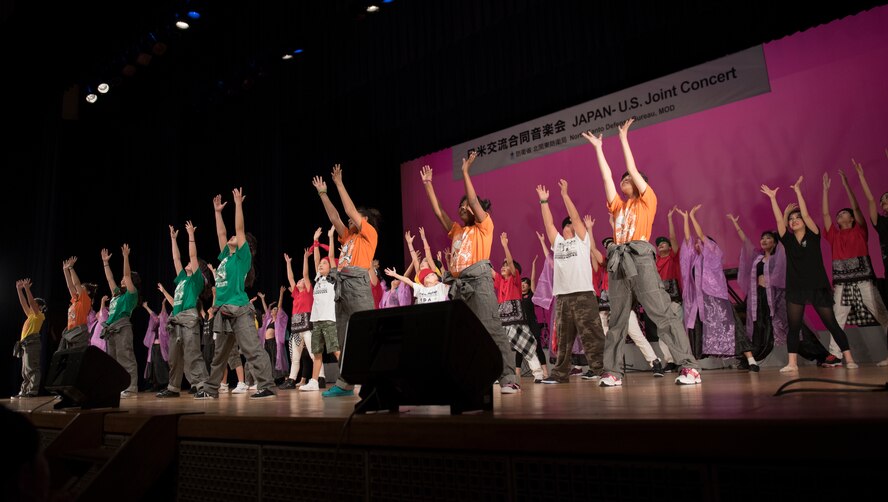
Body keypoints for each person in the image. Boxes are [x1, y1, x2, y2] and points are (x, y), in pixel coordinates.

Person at [582, 119, 701, 386]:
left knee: (661, 313)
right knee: (617, 320)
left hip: (641, 258)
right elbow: (605, 178)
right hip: (618, 261)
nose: (624, 179)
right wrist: (599, 148)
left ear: (640, 184)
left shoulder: (647, 200)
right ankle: (612, 372)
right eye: (623, 178)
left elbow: (633, 169)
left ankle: (689, 367)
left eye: (629, 178)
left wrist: (623, 139)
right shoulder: (618, 207)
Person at [420, 155, 520, 394]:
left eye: (467, 205)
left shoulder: (485, 226)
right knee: (462, 335)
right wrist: (428, 184)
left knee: (491, 328)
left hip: (479, 282)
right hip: (458, 285)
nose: (463, 207)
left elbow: (474, 200)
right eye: (460, 206)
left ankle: (508, 378)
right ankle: (470, 378)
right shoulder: (456, 230)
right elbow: (438, 212)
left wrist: (465, 172)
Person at [760, 177, 858, 372]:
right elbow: (780, 220)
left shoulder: (813, 235)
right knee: (794, 327)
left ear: (804, 222)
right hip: (796, 288)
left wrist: (797, 191)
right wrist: (773, 198)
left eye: (798, 219)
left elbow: (805, 212)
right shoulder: (787, 240)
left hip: (817, 286)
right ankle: (792, 364)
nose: (795, 221)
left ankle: (849, 359)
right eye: (792, 220)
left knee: (832, 324)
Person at [199, 189, 276, 399]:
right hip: (223, 312)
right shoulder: (226, 256)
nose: (231, 237)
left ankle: (266, 385)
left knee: (251, 349)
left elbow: (238, 229)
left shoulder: (242, 257)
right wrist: (217, 212)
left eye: (236, 238)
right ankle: (210, 390)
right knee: (219, 355)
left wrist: (238, 204)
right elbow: (222, 234)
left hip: (240, 310)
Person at [313, 165, 381, 398]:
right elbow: (335, 216)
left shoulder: (368, 234)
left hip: (358, 284)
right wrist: (323, 193)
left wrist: (339, 183)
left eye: (356, 218)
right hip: (341, 288)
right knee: (344, 338)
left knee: (366, 333)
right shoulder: (348, 236)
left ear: (365, 220)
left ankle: (377, 380)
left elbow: (349, 211)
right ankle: (346, 383)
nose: (351, 220)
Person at [534, 180, 606, 384]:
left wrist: (565, 195)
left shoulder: (582, 242)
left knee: (592, 336)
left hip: (583, 294)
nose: (568, 227)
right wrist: (544, 201)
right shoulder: (558, 244)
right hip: (563, 298)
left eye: (571, 225)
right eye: (566, 225)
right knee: (563, 340)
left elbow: (575, 217)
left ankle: (601, 371)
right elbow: (548, 224)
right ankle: (560, 374)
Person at [677, 205, 758, 370]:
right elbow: (687, 239)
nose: (698, 243)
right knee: (696, 331)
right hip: (699, 303)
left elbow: (700, 235)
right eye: (698, 243)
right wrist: (685, 219)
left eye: (703, 242)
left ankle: (751, 360)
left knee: (732, 327)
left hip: (716, 300)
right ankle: (693, 366)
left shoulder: (713, 253)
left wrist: (693, 216)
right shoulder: (694, 259)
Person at [822, 169, 888, 365]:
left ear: (851, 219)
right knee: (838, 317)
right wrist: (825, 190)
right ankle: (836, 354)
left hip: (864, 280)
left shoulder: (860, 230)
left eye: (845, 214)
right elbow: (825, 213)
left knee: (882, 313)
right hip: (842, 283)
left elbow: (858, 208)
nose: (841, 216)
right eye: (839, 214)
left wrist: (848, 186)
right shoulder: (833, 235)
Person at [156, 221, 211, 398]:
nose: (188, 263)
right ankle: (173, 387)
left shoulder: (196, 281)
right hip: (177, 318)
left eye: (192, 264)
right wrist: (173, 239)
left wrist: (190, 236)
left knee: (192, 353)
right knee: (175, 356)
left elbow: (192, 257)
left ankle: (202, 386)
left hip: (188, 318)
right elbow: (176, 259)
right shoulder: (181, 279)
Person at [728, 213, 787, 365]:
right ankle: (753, 357)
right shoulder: (758, 257)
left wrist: (785, 216)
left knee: (774, 326)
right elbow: (746, 242)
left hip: (774, 297)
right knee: (758, 327)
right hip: (758, 296)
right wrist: (736, 224)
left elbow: (781, 272)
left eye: (768, 238)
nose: (764, 240)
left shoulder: (779, 256)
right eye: (762, 238)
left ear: (775, 242)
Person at [854, 157, 888, 366]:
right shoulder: (881, 221)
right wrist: (861, 177)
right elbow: (870, 202)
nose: (884, 201)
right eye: (884, 199)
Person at [101, 244, 141, 397]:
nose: (122, 280)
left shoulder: (131, 294)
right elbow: (110, 278)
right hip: (111, 328)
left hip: (122, 326)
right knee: (113, 361)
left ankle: (131, 387)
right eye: (123, 279)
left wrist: (125, 257)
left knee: (126, 356)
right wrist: (106, 263)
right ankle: (115, 387)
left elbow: (127, 276)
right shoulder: (117, 293)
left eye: (126, 279)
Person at [304, 226, 340, 392]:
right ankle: (313, 381)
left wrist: (330, 237)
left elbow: (331, 256)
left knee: (336, 350)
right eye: (321, 263)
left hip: (329, 319)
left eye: (324, 263)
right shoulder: (318, 277)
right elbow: (316, 259)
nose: (321, 265)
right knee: (317, 352)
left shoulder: (333, 278)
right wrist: (315, 241)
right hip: (316, 319)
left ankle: (352, 377)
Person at [13, 279, 45, 398]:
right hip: (25, 343)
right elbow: (24, 303)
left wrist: (27, 288)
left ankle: (32, 390)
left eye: (35, 305)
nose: (31, 306)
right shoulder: (31, 315)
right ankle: (25, 390)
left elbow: (30, 302)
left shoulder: (39, 315)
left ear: (40, 307)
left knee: (32, 367)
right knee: (25, 370)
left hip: (33, 342)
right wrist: (19, 290)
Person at [60, 256, 97, 351]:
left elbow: (76, 284)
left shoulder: (85, 299)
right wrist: (65, 270)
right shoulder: (75, 301)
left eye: (82, 287)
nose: (78, 288)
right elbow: (70, 286)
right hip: (70, 334)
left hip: (79, 333)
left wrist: (71, 268)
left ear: (87, 292)